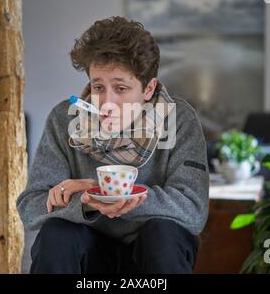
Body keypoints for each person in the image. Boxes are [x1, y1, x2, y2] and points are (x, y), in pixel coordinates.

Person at [16, 16, 209, 274]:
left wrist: (105, 192)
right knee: (57, 234)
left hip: (155, 250)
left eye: (120, 88)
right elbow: (30, 208)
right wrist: (84, 202)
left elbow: (193, 211)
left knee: (162, 233)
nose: (107, 102)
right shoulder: (64, 120)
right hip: (88, 252)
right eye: (98, 87)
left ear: (148, 89)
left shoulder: (179, 120)